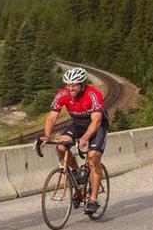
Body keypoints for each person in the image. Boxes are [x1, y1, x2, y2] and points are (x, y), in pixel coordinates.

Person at [39, 67, 107, 214]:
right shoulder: (62, 94)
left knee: (93, 158)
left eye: (74, 85)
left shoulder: (93, 94)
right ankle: (77, 173)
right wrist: (46, 135)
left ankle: (93, 199)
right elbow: (52, 117)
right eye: (68, 85)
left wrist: (85, 138)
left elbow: (96, 121)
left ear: (82, 84)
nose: (70, 88)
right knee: (61, 147)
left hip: (96, 126)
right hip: (78, 125)